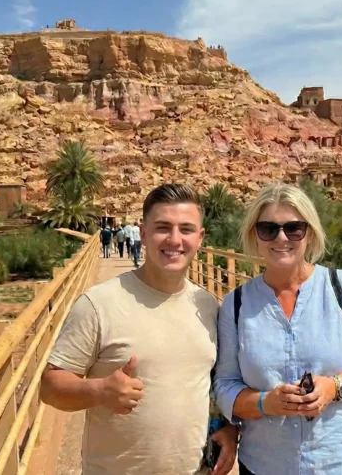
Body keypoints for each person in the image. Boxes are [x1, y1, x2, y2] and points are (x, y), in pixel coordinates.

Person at [41, 183, 237, 475]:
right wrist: (99, 390)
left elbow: (214, 383)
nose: (174, 239)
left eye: (185, 229)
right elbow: (50, 386)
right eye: (162, 227)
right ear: (143, 233)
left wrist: (230, 430)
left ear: (200, 237)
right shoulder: (98, 304)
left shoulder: (208, 305)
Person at [214, 183, 342, 475]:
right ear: (255, 236)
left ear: (309, 233)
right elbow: (225, 386)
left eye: (294, 228)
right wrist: (266, 403)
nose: (281, 238)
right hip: (267, 464)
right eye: (268, 229)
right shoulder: (236, 305)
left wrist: (333, 387)